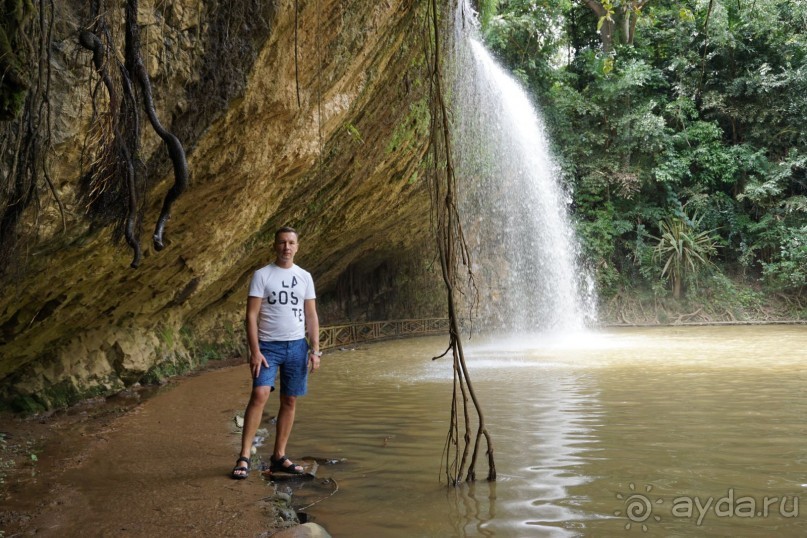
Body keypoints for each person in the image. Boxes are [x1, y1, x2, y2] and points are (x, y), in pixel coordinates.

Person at [231, 226, 321, 479]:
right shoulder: (262, 275)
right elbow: (250, 316)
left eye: (291, 242)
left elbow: (311, 315)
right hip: (269, 346)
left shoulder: (304, 276)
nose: (287, 247)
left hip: (297, 346)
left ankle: (279, 456)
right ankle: (244, 456)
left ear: (297, 246)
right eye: (282, 242)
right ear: (275, 246)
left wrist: (315, 350)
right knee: (259, 394)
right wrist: (255, 351)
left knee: (289, 400)